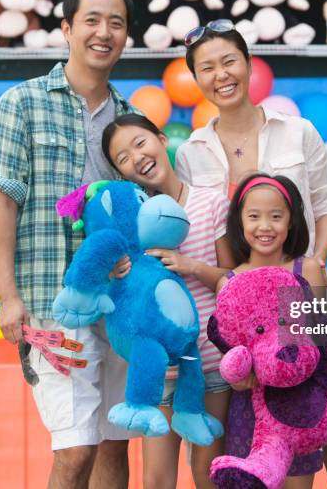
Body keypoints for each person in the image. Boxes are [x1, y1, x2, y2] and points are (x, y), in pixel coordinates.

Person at [176, 22, 327, 488]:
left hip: (301, 293)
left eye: (229, 61)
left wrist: (313, 266)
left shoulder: (297, 131)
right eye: (207, 67)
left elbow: (324, 205)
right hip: (242, 306)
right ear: (197, 79)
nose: (221, 74)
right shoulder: (191, 152)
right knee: (260, 433)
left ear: (247, 64)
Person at [0, 0, 138, 489]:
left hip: (119, 308)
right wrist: (9, 298)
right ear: (68, 29)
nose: (104, 32)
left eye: (116, 23)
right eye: (92, 20)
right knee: (74, 451)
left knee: (116, 445)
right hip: (53, 305)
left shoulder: (128, 115)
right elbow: (3, 201)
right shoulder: (21, 102)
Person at [101, 113, 235, 488]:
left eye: (140, 143)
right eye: (123, 158)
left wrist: (190, 265)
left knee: (209, 473)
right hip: (157, 367)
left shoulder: (210, 204)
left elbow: (232, 281)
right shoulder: (133, 228)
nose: (136, 157)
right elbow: (124, 297)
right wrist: (115, 274)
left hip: (210, 362)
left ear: (161, 139)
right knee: (157, 478)